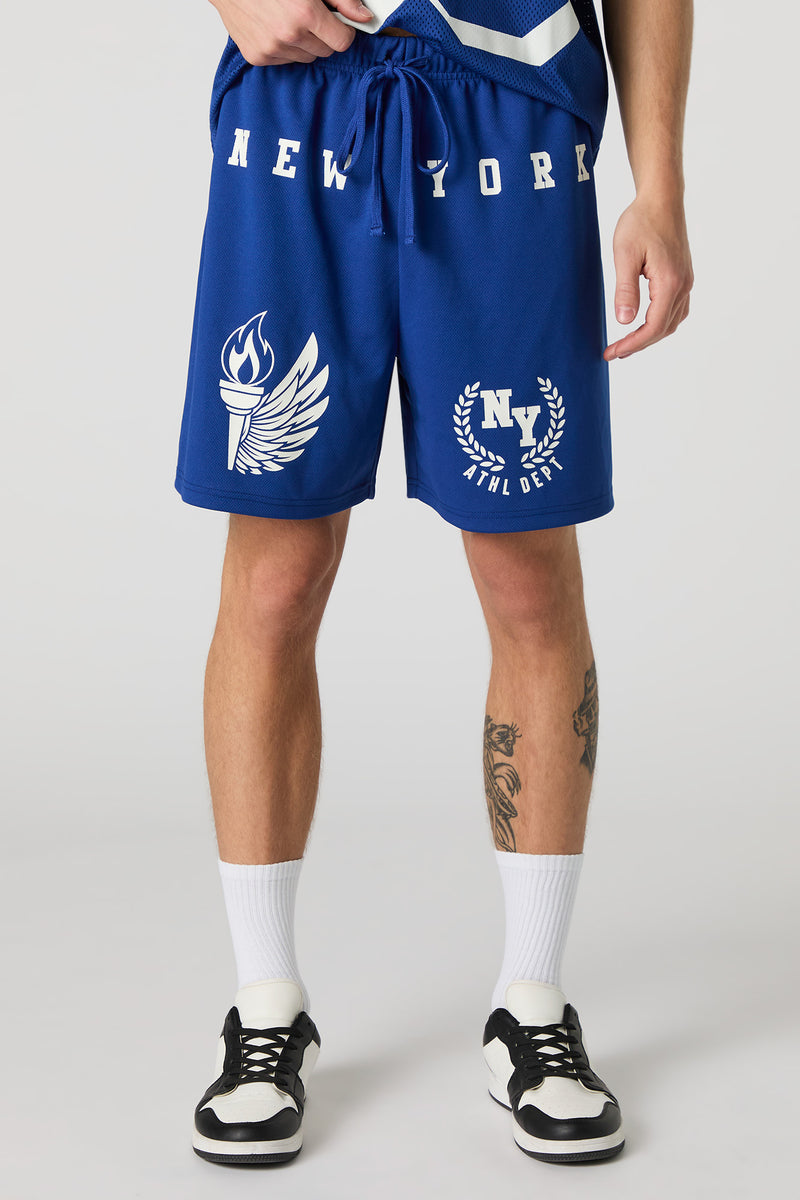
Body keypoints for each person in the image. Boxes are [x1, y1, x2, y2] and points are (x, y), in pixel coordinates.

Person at [176, 0, 693, 1167]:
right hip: (300, 112)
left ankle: (531, 1001)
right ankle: (264, 1003)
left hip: (512, 106)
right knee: (277, 572)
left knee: (524, 575)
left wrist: (656, 183)